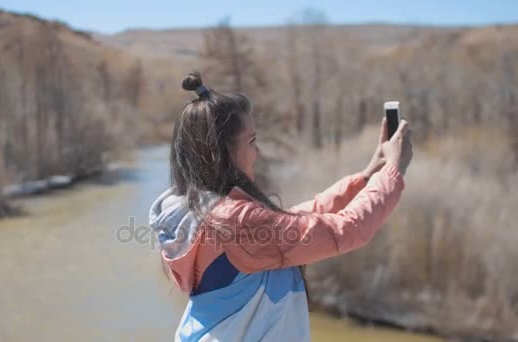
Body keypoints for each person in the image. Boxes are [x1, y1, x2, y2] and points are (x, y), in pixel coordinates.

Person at [149, 72, 413, 342]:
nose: (257, 152)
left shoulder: (197, 211)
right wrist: (393, 172)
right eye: (251, 141)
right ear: (222, 153)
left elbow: (298, 219)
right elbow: (346, 229)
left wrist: (368, 176)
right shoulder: (237, 222)